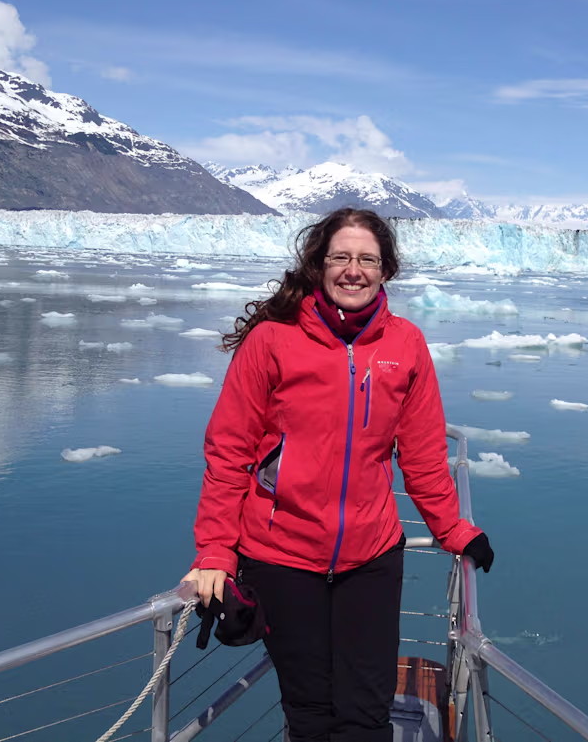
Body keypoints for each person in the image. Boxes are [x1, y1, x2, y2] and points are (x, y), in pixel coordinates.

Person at [182, 208, 494, 742]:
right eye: (341, 258)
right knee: (309, 710)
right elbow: (229, 451)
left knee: (365, 714)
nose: (354, 270)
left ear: (385, 270)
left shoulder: (406, 345)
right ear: (319, 266)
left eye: (367, 259)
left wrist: (454, 531)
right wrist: (215, 552)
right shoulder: (273, 341)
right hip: (281, 558)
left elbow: (420, 454)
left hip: (370, 560)